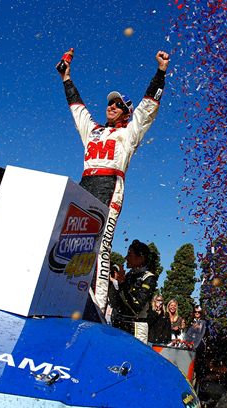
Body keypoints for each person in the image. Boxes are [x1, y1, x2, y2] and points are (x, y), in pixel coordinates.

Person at [59, 50, 170, 320]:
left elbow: (146, 110)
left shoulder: (129, 133)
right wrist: (66, 78)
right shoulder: (93, 130)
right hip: (84, 185)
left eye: (118, 105)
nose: (111, 107)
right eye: (110, 104)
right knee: (71, 243)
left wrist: (161, 72)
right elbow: (77, 109)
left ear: (125, 112)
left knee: (101, 246)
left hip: (111, 186)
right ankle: (63, 296)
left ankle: (96, 308)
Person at [108, 239, 157, 343]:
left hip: (136, 327)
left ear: (141, 257)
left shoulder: (149, 277)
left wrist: (122, 283)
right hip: (119, 324)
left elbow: (136, 306)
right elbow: (115, 303)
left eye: (129, 255)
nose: (126, 258)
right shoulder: (129, 275)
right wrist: (111, 283)